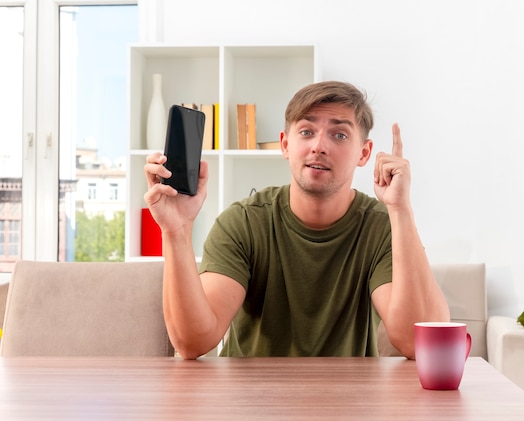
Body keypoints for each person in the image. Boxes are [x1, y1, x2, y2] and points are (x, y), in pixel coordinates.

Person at [144, 81, 450, 360]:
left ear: (364, 152)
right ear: (285, 145)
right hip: (250, 403)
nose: (319, 145)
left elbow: (418, 343)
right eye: (306, 132)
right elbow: (193, 342)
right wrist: (177, 230)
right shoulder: (244, 222)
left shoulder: (381, 226)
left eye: (339, 134)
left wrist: (401, 210)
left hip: (350, 403)